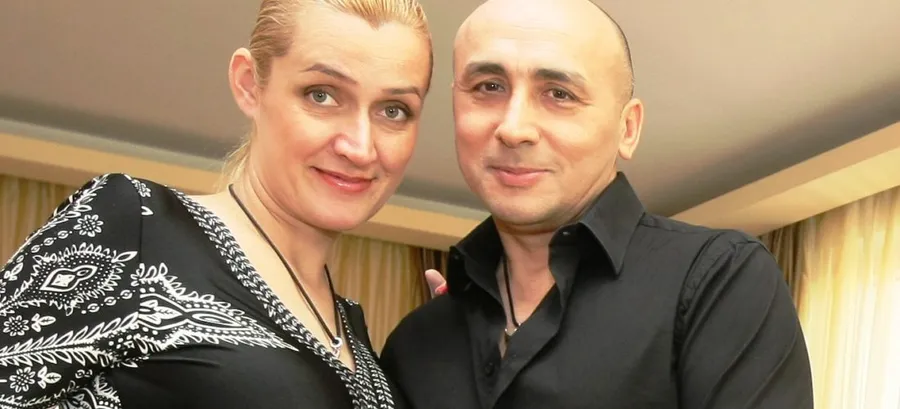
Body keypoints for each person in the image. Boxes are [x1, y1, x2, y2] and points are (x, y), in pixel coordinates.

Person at [379, 0, 814, 408]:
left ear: (628, 128)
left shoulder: (717, 282)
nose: (514, 128)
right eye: (488, 87)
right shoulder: (416, 344)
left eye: (559, 94)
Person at [0, 0, 432, 407]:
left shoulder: (356, 337)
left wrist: (454, 343)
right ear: (250, 84)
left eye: (394, 110)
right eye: (322, 94)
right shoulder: (137, 226)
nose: (360, 147)